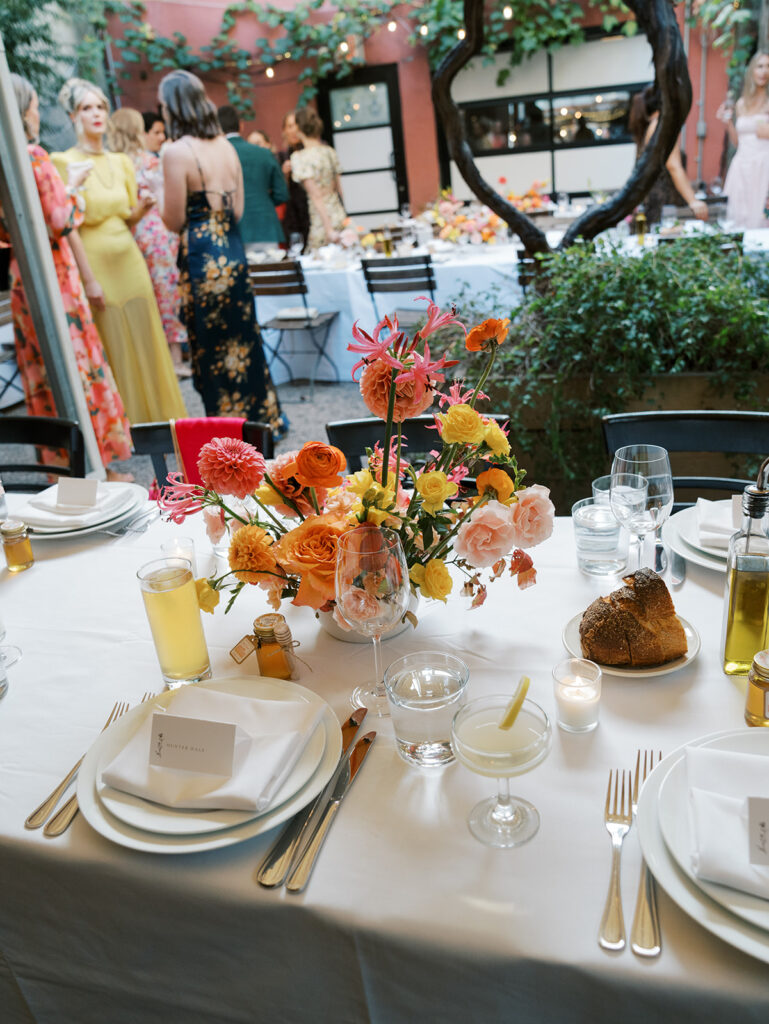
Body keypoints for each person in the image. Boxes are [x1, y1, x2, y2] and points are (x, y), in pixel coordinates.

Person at [0, 74, 132, 477]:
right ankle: (97, 466)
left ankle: (60, 469)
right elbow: (60, 220)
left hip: (22, 275)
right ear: (22, 111)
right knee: (79, 365)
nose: (38, 113)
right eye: (35, 105)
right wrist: (71, 187)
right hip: (55, 272)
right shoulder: (34, 156)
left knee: (41, 372)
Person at [157, 70, 285, 434]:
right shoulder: (227, 148)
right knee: (245, 341)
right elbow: (239, 211)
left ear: (173, 107)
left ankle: (226, 432)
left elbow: (174, 218)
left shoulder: (176, 151)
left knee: (212, 351)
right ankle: (261, 422)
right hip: (233, 253)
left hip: (201, 260)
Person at [52, 79, 186, 425]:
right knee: (109, 338)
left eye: (100, 107)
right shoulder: (62, 162)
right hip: (94, 261)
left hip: (129, 258)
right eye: (86, 108)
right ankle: (123, 422)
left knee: (147, 331)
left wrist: (142, 208)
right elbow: (69, 226)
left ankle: (160, 417)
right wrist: (89, 279)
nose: (95, 114)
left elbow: (127, 217)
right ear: (72, 116)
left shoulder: (120, 161)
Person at [107, 107, 191, 377]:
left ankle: (151, 361)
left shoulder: (112, 164)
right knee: (166, 293)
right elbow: (165, 198)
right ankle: (175, 358)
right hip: (155, 234)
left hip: (125, 234)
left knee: (143, 296)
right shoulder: (149, 162)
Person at [629, 85, 709, 225]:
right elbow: (674, 166)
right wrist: (693, 201)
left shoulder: (652, 126)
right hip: (664, 207)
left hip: (657, 203)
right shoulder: (660, 126)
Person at [216, 104, 288, 247]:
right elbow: (282, 194)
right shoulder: (264, 153)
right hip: (265, 226)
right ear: (241, 126)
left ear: (218, 128)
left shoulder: (216, 156)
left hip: (231, 229)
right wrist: (263, 202)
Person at [717, 51, 769, 229]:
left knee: (761, 218)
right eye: (760, 66)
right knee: (737, 220)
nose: (764, 71)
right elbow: (737, 142)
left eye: (768, 67)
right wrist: (728, 122)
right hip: (741, 166)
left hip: (763, 165)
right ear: (752, 71)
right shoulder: (741, 103)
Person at [289, 107, 346, 250]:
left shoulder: (299, 157)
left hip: (321, 218)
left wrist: (328, 229)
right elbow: (339, 190)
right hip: (338, 213)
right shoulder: (329, 152)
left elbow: (316, 195)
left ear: (299, 128)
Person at [278, 111, 310, 250]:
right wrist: (284, 174)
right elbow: (279, 192)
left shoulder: (311, 152)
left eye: (296, 125)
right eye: (290, 126)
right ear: (284, 130)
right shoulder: (281, 156)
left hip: (310, 208)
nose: (294, 130)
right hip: (293, 214)